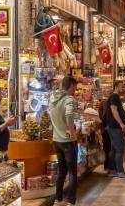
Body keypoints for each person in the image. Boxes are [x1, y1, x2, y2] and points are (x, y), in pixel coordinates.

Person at [50, 76, 79, 206]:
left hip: (56, 139)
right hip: (68, 141)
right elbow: (69, 115)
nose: (75, 89)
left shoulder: (53, 97)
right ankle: (71, 201)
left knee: (62, 170)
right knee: (72, 171)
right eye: (75, 87)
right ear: (71, 85)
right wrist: (72, 131)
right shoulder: (68, 99)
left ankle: (58, 199)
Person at [105, 80, 125, 180]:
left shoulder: (115, 97)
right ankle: (120, 171)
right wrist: (121, 124)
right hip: (114, 127)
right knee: (119, 149)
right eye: (121, 87)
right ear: (116, 87)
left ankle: (112, 170)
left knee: (113, 149)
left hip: (113, 127)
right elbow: (114, 111)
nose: (123, 88)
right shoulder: (114, 97)